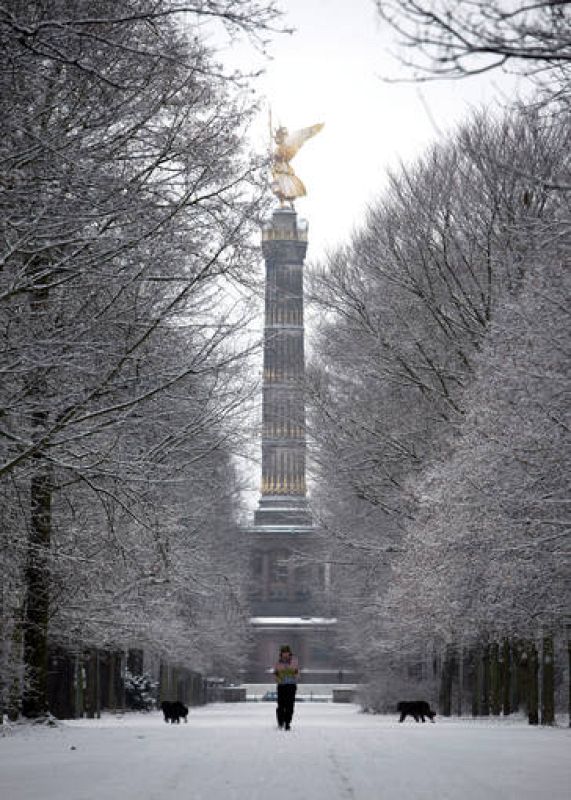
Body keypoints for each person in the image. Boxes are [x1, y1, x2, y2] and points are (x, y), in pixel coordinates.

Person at [273, 644, 299, 730]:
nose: (285, 654)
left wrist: (293, 675)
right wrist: (279, 678)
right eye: (284, 652)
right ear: (281, 653)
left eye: (287, 652)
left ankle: (287, 722)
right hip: (281, 686)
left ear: (289, 653)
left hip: (291, 686)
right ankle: (280, 722)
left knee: (290, 705)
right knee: (281, 705)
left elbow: (296, 673)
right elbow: (276, 673)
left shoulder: (294, 661)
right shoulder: (278, 663)